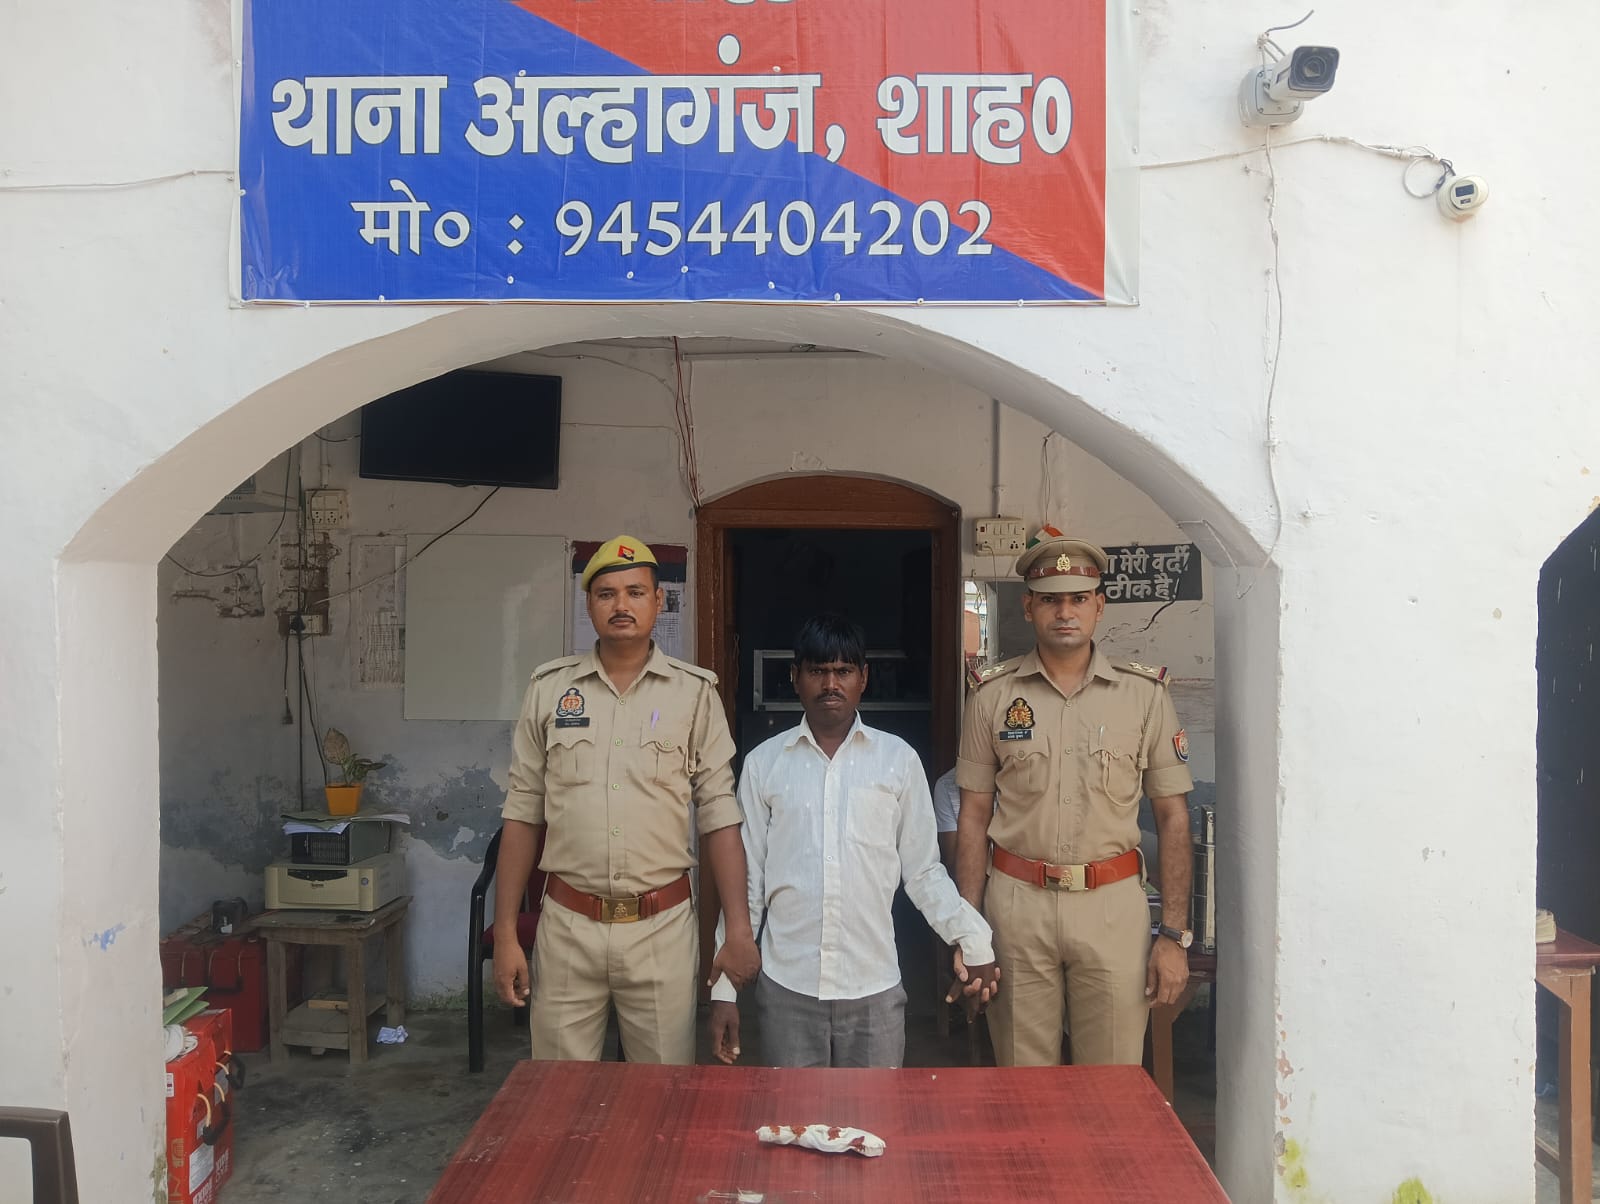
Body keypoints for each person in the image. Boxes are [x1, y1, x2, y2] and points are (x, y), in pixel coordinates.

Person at [492, 535, 760, 1063]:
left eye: (636, 592)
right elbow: (522, 813)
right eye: (606, 593)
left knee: (660, 1095)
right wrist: (505, 932)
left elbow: (719, 817)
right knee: (561, 1093)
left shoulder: (694, 694)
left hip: (661, 930)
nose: (621, 605)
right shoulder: (549, 690)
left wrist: (739, 928)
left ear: (659, 601)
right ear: (588, 603)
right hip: (568, 927)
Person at [708, 614, 997, 1068]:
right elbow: (749, 881)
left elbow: (923, 873)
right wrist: (724, 990)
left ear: (863, 678)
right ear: (795, 677)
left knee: (874, 1112)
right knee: (791, 1112)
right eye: (817, 671)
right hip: (789, 989)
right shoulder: (765, 764)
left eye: (843, 671)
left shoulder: (898, 760)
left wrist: (973, 939)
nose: (830, 684)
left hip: (874, 989)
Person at [954, 534, 1194, 1067]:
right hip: (1017, 908)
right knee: (1024, 1082)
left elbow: (1173, 817)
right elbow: (972, 817)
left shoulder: (1144, 696)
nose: (1065, 612)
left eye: (1079, 599)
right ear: (1028, 607)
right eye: (1051, 600)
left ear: (1099, 606)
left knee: (1110, 1085)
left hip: (1112, 909)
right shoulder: (992, 696)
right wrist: (969, 927)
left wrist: (1175, 935)